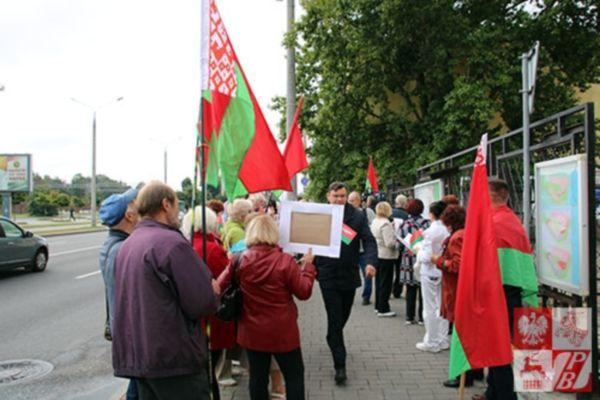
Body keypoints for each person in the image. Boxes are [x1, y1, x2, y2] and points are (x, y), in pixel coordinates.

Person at [112, 181, 218, 400]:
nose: (178, 212)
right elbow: (201, 302)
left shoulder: (129, 244)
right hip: (173, 359)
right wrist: (213, 290)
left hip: (141, 356)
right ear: (165, 204)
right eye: (176, 205)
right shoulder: (172, 243)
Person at [217, 215, 316, 400]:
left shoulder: (239, 259)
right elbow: (304, 292)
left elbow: (218, 286)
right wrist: (308, 267)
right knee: (294, 377)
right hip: (283, 331)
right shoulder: (285, 261)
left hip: (251, 331)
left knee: (257, 378)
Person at [472, 178, 535, 400]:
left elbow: (486, 264)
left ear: (492, 196)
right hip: (509, 290)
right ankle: (493, 392)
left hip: (498, 293)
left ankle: (505, 395)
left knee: (498, 348)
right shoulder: (510, 220)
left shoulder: (494, 223)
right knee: (497, 346)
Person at [314, 182, 377, 385]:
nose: (339, 199)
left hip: (349, 275)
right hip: (327, 274)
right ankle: (340, 366)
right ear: (328, 196)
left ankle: (333, 337)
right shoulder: (320, 214)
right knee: (334, 316)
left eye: (343, 196)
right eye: (336, 196)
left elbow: (368, 241)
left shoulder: (357, 216)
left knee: (343, 316)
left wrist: (369, 263)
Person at [182, 206, 237, 395]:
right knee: (210, 370)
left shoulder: (186, 246)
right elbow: (227, 279)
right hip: (212, 318)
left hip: (192, 318)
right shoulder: (211, 248)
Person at [431, 205, 484, 388]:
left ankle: (465, 375)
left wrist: (438, 260)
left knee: (462, 334)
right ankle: (475, 370)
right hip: (465, 289)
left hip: (458, 290)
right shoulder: (465, 233)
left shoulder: (457, 237)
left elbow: (458, 265)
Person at [98, 188, 139, 400]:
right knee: (139, 384)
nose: (138, 204)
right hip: (131, 332)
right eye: (134, 202)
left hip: (125, 330)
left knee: (139, 382)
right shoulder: (122, 249)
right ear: (129, 216)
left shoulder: (113, 245)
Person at [415, 201, 449, 353]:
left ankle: (431, 341)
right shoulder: (448, 229)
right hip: (443, 271)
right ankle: (443, 339)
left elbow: (426, 256)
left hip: (430, 271)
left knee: (429, 307)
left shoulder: (430, 231)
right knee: (442, 306)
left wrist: (417, 249)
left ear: (431, 213)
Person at [398, 199, 430, 325]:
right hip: (423, 257)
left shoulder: (404, 224)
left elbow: (398, 244)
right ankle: (422, 317)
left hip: (408, 257)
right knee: (423, 287)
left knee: (410, 287)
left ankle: (409, 316)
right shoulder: (427, 224)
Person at [370, 201, 399, 317]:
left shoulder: (375, 221)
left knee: (379, 282)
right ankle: (383, 308)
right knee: (386, 283)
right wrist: (398, 240)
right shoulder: (386, 224)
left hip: (378, 254)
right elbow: (390, 243)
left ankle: (378, 306)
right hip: (387, 255)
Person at [348, 191, 373, 306]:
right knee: (348, 274)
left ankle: (366, 296)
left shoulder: (367, 212)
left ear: (359, 201)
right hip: (350, 250)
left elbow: (373, 228)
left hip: (363, 251)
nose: (351, 203)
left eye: (353, 200)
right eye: (350, 200)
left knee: (367, 274)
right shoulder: (345, 213)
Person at [391, 194, 409, 298]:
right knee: (399, 269)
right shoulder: (406, 215)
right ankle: (397, 290)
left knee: (389, 270)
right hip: (402, 245)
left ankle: (387, 290)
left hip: (390, 244)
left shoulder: (390, 213)